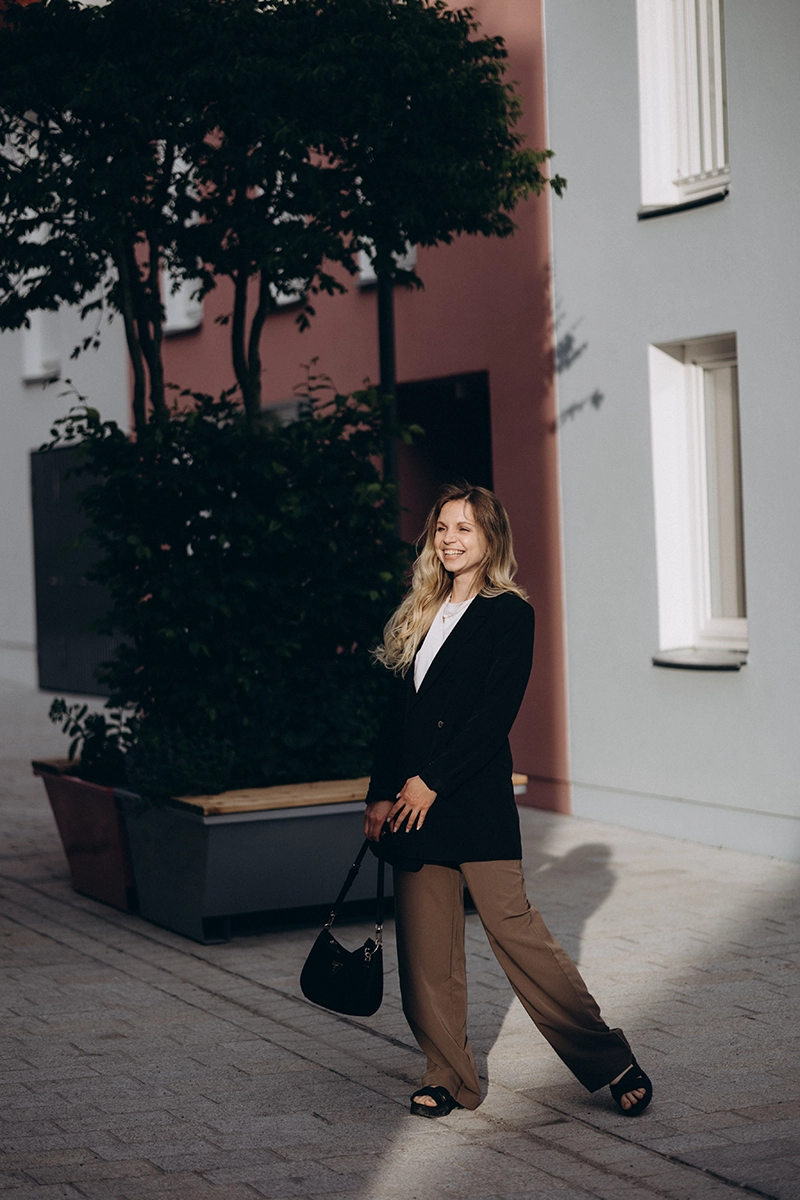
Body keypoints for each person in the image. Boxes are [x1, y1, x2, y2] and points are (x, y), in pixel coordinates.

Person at [364, 483, 652, 1120]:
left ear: (490, 538)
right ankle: (447, 1076)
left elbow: (494, 717)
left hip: (469, 801)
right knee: (427, 950)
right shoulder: (420, 610)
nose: (450, 540)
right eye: (442, 528)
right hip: (409, 805)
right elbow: (395, 718)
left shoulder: (508, 613)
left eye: (465, 528)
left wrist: (432, 781)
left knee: (517, 935)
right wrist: (381, 793)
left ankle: (609, 1060)